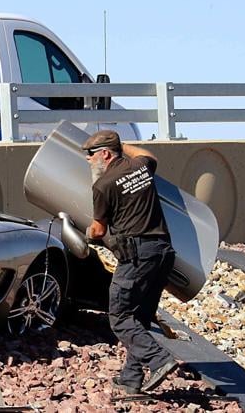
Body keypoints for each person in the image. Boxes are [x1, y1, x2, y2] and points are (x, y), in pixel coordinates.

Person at [83, 130, 178, 395]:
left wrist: (87, 232)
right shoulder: (141, 167)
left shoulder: (102, 186)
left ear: (104, 153)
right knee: (140, 317)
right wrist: (121, 144)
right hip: (162, 252)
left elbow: (99, 231)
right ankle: (131, 379)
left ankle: (160, 360)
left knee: (120, 316)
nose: (88, 161)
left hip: (136, 255)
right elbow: (148, 154)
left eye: (90, 155)